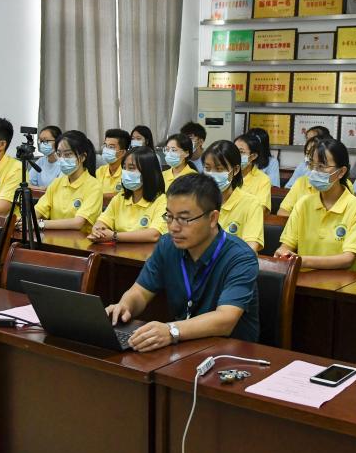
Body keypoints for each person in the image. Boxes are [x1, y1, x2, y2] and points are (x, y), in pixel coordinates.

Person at [105, 173, 260, 349]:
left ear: (212, 218)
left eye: (184, 219)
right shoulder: (167, 245)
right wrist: (125, 306)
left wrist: (171, 330)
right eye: (169, 217)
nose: (173, 227)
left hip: (230, 354)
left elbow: (225, 319)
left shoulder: (240, 257)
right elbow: (140, 292)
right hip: (183, 347)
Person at [275, 138, 356, 271]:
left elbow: (348, 259)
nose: (314, 171)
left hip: (342, 281)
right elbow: (287, 245)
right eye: (312, 165)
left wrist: (302, 260)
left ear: (341, 172)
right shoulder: (303, 204)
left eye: (321, 166)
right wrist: (282, 253)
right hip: (303, 277)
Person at [88, 147, 168, 243]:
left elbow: (154, 235)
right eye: (124, 168)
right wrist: (97, 230)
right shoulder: (120, 198)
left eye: (131, 168)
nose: (125, 172)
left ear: (147, 172)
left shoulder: (162, 201)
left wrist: (114, 236)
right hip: (117, 250)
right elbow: (102, 221)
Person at [32, 130, 103, 232]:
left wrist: (40, 224)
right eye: (59, 154)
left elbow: (78, 223)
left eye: (68, 154)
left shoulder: (94, 186)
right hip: (53, 238)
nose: (62, 159)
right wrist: (26, 221)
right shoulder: (57, 183)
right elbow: (39, 210)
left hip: (81, 240)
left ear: (82, 157)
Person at [203, 140, 264, 252]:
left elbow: (250, 249)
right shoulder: (197, 200)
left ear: (235, 170)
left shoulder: (251, 204)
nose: (212, 175)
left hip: (233, 262)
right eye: (207, 168)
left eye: (219, 169)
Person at [278, 137, 322, 215]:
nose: (309, 157)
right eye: (307, 153)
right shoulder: (301, 181)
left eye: (313, 153)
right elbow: (282, 212)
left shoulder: (335, 185)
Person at [235, 133, 272, 211]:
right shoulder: (226, 175)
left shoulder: (263, 180)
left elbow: (261, 209)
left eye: (241, 152)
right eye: (234, 151)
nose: (235, 155)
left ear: (253, 156)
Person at [29, 125, 63, 190]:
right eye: (41, 141)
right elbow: (27, 183)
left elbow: (57, 188)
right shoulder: (41, 161)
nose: (42, 144)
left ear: (58, 142)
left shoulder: (65, 163)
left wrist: (40, 189)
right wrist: (40, 189)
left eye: (45, 141)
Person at [98, 128, 131, 194]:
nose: (106, 150)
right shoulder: (100, 171)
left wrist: (100, 196)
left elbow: (125, 196)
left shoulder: (129, 173)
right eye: (105, 146)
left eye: (111, 147)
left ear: (122, 152)